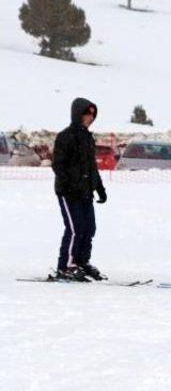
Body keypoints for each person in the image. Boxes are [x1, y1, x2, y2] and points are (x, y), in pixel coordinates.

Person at [52, 97, 107, 281]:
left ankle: (81, 261)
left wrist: (99, 188)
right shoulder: (65, 136)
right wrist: (70, 185)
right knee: (75, 229)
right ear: (78, 114)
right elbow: (58, 165)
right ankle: (66, 266)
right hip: (69, 193)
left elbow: (92, 167)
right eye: (87, 113)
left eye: (92, 114)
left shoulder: (88, 138)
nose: (90, 117)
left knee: (89, 228)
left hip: (85, 192)